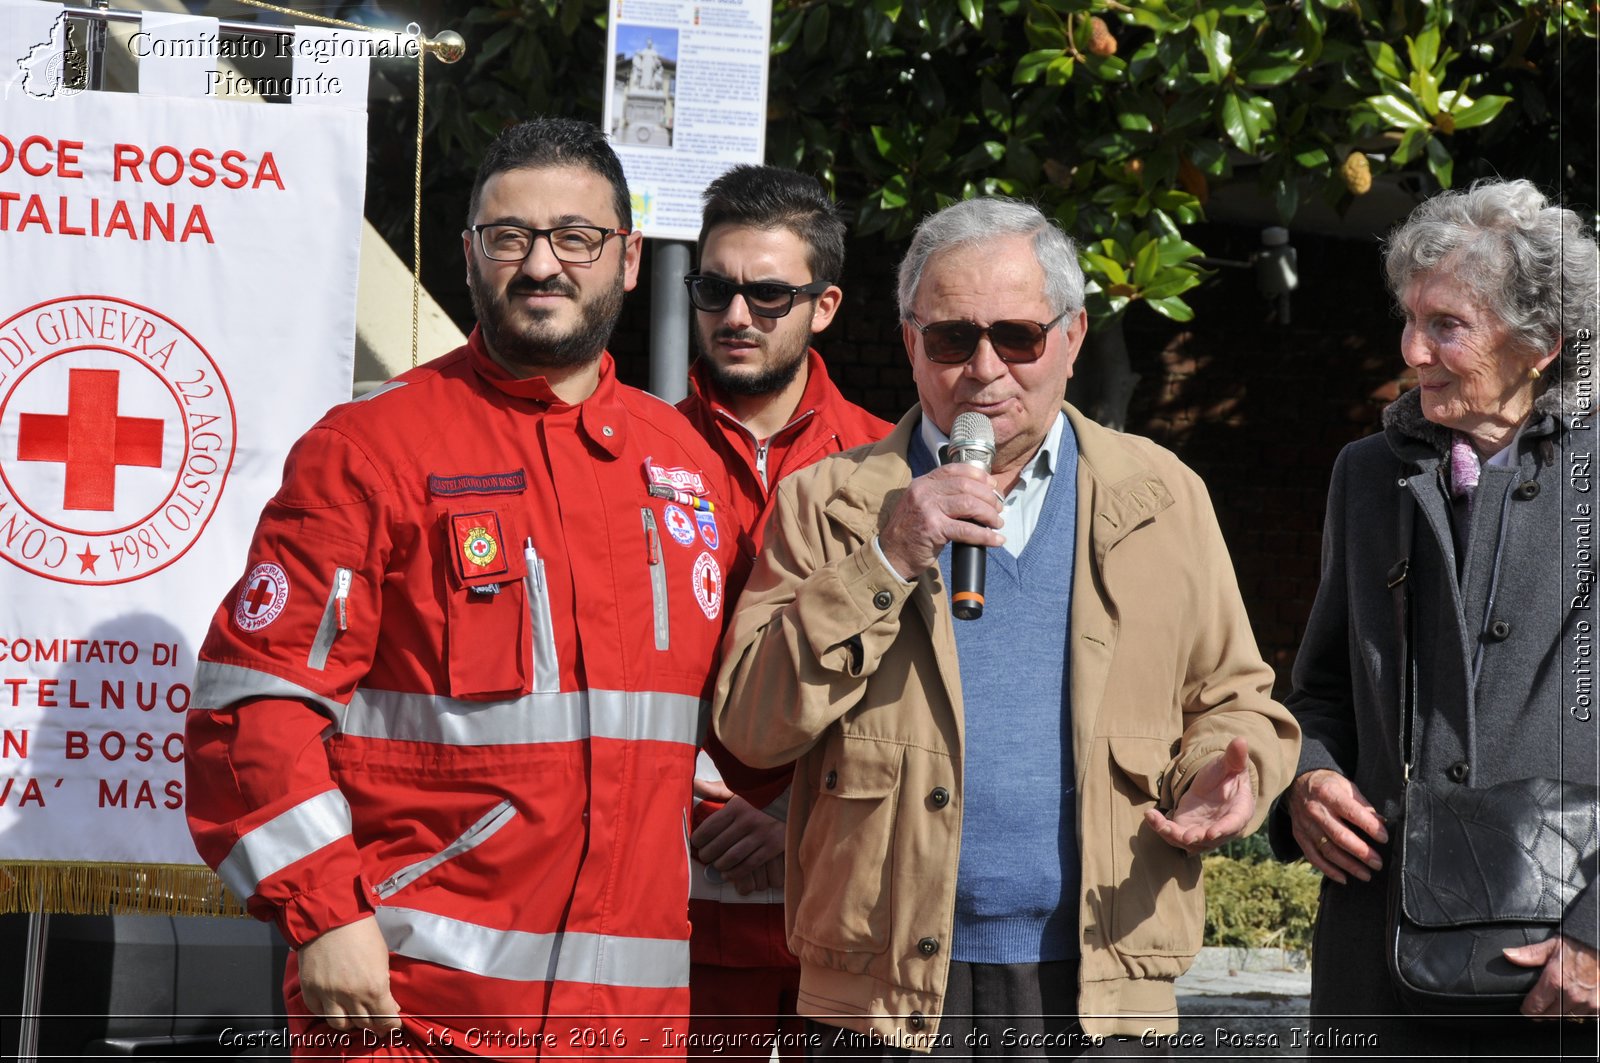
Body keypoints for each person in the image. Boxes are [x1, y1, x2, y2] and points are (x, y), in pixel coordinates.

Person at [184, 117, 745, 1057]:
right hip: (409, 1010)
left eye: (576, 237)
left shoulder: (684, 464)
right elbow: (254, 708)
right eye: (509, 237)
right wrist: (324, 913)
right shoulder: (369, 450)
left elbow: (720, 727)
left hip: (627, 1032)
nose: (541, 265)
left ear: (630, 259)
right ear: (470, 255)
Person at [712, 196, 1300, 1055]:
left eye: (1017, 337)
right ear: (910, 342)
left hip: (1100, 975)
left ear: (1071, 337)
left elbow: (1237, 699)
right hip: (882, 988)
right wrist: (885, 558)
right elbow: (752, 726)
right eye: (952, 338)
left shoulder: (1163, 496)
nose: (984, 369)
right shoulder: (827, 502)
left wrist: (1224, 774)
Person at [1271, 178, 1600, 1054]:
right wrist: (1305, 777)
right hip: (1378, 957)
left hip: (1558, 973)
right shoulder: (1367, 474)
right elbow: (1322, 690)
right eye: (1408, 318)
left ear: (1540, 345)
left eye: (1446, 324)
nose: (1411, 349)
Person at [677, 164, 891, 1061]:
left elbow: (914, 694)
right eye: (715, 288)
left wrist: (788, 814)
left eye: (769, 294)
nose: (736, 315)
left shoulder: (893, 468)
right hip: (674, 899)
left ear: (826, 305)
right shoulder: (635, 453)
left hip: (838, 906)